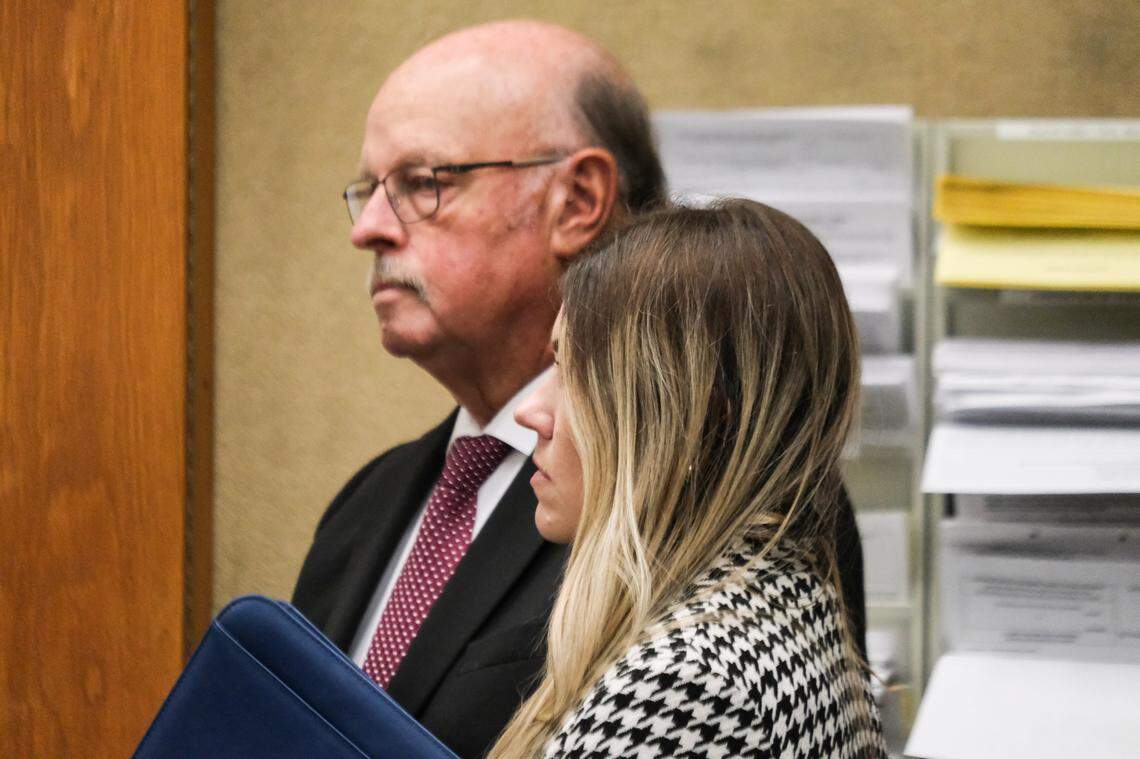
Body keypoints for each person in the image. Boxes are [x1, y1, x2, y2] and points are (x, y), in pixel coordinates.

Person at [291, 19, 866, 758]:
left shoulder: (733, 495)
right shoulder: (366, 503)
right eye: (369, 190)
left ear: (579, 198)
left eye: (422, 182)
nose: (368, 228)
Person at [499, 199, 887, 758]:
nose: (531, 411)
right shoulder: (789, 601)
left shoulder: (683, 687)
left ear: (697, 426)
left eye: (573, 371)